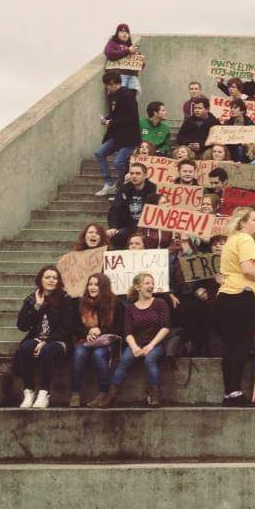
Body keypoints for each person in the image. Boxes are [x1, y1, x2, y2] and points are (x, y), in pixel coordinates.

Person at [215, 207, 255, 406]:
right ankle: (235, 392)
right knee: (242, 344)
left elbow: (240, 268)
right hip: (241, 296)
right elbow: (246, 269)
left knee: (231, 346)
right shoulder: (245, 239)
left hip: (227, 295)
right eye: (252, 219)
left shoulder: (232, 240)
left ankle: (229, 392)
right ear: (242, 223)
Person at [100, 273, 170, 408]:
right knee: (125, 360)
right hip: (136, 344)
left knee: (150, 359)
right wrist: (135, 348)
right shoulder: (131, 308)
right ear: (138, 287)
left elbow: (166, 327)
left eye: (152, 283)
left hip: (156, 343)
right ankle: (112, 396)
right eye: (147, 283)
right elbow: (127, 332)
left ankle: (155, 394)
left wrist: (150, 346)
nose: (151, 286)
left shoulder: (160, 303)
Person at [14, 266, 71, 409]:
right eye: (47, 277)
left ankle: (44, 393)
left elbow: (67, 328)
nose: (51, 280)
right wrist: (37, 306)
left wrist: (46, 341)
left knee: (48, 350)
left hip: (59, 340)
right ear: (41, 279)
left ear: (58, 281)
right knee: (25, 348)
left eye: (55, 277)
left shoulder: (65, 299)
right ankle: (29, 391)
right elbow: (22, 325)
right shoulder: (32, 299)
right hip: (37, 338)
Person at [69, 273, 124, 407]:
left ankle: (103, 393)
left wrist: (101, 331)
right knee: (79, 353)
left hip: (107, 341)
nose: (92, 287)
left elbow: (119, 327)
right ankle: (75, 393)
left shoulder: (115, 303)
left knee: (98, 355)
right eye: (90, 284)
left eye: (96, 285)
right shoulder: (80, 303)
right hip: (86, 340)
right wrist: (87, 332)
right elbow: (73, 326)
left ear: (104, 287)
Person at [94, 72, 140, 196]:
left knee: (118, 162)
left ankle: (123, 186)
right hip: (117, 135)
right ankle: (109, 184)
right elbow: (115, 114)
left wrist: (112, 121)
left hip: (129, 137)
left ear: (117, 83)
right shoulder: (111, 96)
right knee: (99, 153)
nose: (108, 87)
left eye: (110, 85)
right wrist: (107, 119)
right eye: (106, 85)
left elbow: (132, 117)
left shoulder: (128, 96)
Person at [106, 163, 156, 248]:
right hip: (128, 226)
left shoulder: (152, 189)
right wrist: (113, 227)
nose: (134, 176)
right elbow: (115, 209)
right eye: (132, 173)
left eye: (138, 173)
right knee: (116, 236)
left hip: (146, 227)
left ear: (145, 175)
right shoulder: (125, 188)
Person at [103, 23, 143, 91]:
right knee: (121, 94)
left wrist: (139, 58)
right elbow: (110, 53)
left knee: (133, 95)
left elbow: (141, 65)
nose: (125, 34)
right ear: (117, 33)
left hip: (132, 76)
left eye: (127, 32)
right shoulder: (112, 43)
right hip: (119, 76)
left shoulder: (131, 46)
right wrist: (127, 51)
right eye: (122, 31)